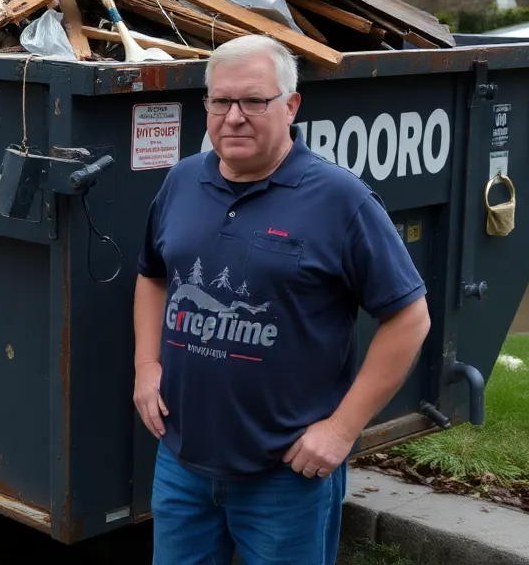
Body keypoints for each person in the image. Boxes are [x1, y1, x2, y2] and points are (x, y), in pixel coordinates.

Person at [133, 34, 431, 565]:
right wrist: (146, 364)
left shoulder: (341, 200)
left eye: (254, 100)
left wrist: (341, 430)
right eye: (220, 101)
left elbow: (409, 318)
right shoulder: (181, 182)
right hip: (182, 462)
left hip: (288, 475)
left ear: (291, 105)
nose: (234, 116)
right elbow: (153, 275)